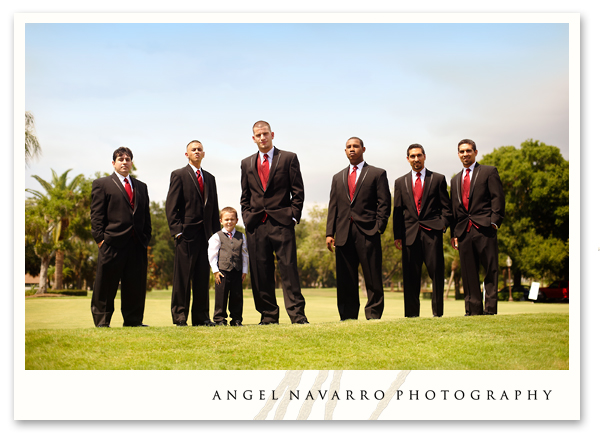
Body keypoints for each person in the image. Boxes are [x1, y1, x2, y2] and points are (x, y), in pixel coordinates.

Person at [240, 120, 309, 325]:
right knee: (261, 273)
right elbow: (245, 195)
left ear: (272, 134)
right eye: (258, 135)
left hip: (282, 223)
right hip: (256, 225)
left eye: (265, 134)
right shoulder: (246, 163)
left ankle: (297, 316)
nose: (262, 138)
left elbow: (298, 191)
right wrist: (246, 217)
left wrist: (293, 216)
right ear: (253, 138)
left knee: (288, 269)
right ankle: (268, 316)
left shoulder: (288, 158)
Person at [326, 137, 391, 320]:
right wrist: (330, 233)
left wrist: (379, 226)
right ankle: (348, 316)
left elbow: (384, 203)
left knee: (372, 276)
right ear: (345, 151)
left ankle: (373, 314)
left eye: (355, 146)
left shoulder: (377, 173)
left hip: (368, 231)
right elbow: (333, 207)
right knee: (346, 278)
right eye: (348, 147)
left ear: (363, 149)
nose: (352, 149)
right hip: (343, 233)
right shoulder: (337, 177)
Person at [90, 147, 152, 327]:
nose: (124, 162)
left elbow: (145, 216)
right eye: (120, 159)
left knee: (135, 285)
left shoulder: (141, 187)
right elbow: (96, 215)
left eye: (127, 159)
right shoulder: (102, 184)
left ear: (131, 163)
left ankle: (133, 321)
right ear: (113, 163)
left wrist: (145, 238)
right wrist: (101, 240)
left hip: (137, 244)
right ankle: (102, 320)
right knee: (106, 284)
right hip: (111, 243)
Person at [393, 144, 452, 318]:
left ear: (424, 157)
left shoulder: (438, 179)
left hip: (432, 234)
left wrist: (442, 224)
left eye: (419, 155)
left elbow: (446, 208)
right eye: (412, 156)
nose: (416, 159)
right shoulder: (400, 182)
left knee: (437, 275)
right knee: (410, 278)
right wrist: (398, 236)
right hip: (409, 235)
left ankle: (438, 314)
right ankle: (411, 316)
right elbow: (397, 212)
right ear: (407, 159)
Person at [166, 140, 220, 326]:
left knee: (202, 278)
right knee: (182, 279)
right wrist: (177, 232)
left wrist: (216, 236)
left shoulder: (210, 178)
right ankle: (180, 317)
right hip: (186, 236)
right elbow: (171, 207)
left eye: (199, 150)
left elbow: (214, 209)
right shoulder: (179, 175)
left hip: (206, 237)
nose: (197, 152)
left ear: (203, 154)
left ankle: (202, 317)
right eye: (193, 150)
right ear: (187, 154)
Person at [450, 139, 505, 315]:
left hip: (485, 229)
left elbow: (498, 198)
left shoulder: (488, 172)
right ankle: (473, 310)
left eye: (468, 151)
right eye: (461, 151)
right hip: (464, 232)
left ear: (475, 152)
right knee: (468, 273)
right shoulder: (455, 180)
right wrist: (454, 233)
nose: (465, 154)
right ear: (458, 154)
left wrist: (494, 223)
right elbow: (454, 209)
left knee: (490, 269)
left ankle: (490, 310)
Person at [207, 207, 248, 326]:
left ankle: (236, 319)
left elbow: (245, 254)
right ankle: (219, 319)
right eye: (226, 219)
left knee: (237, 296)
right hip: (222, 271)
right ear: (221, 221)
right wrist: (215, 271)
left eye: (232, 219)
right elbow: (212, 255)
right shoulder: (216, 236)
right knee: (221, 296)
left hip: (237, 270)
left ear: (236, 220)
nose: (229, 222)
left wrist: (244, 270)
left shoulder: (241, 236)